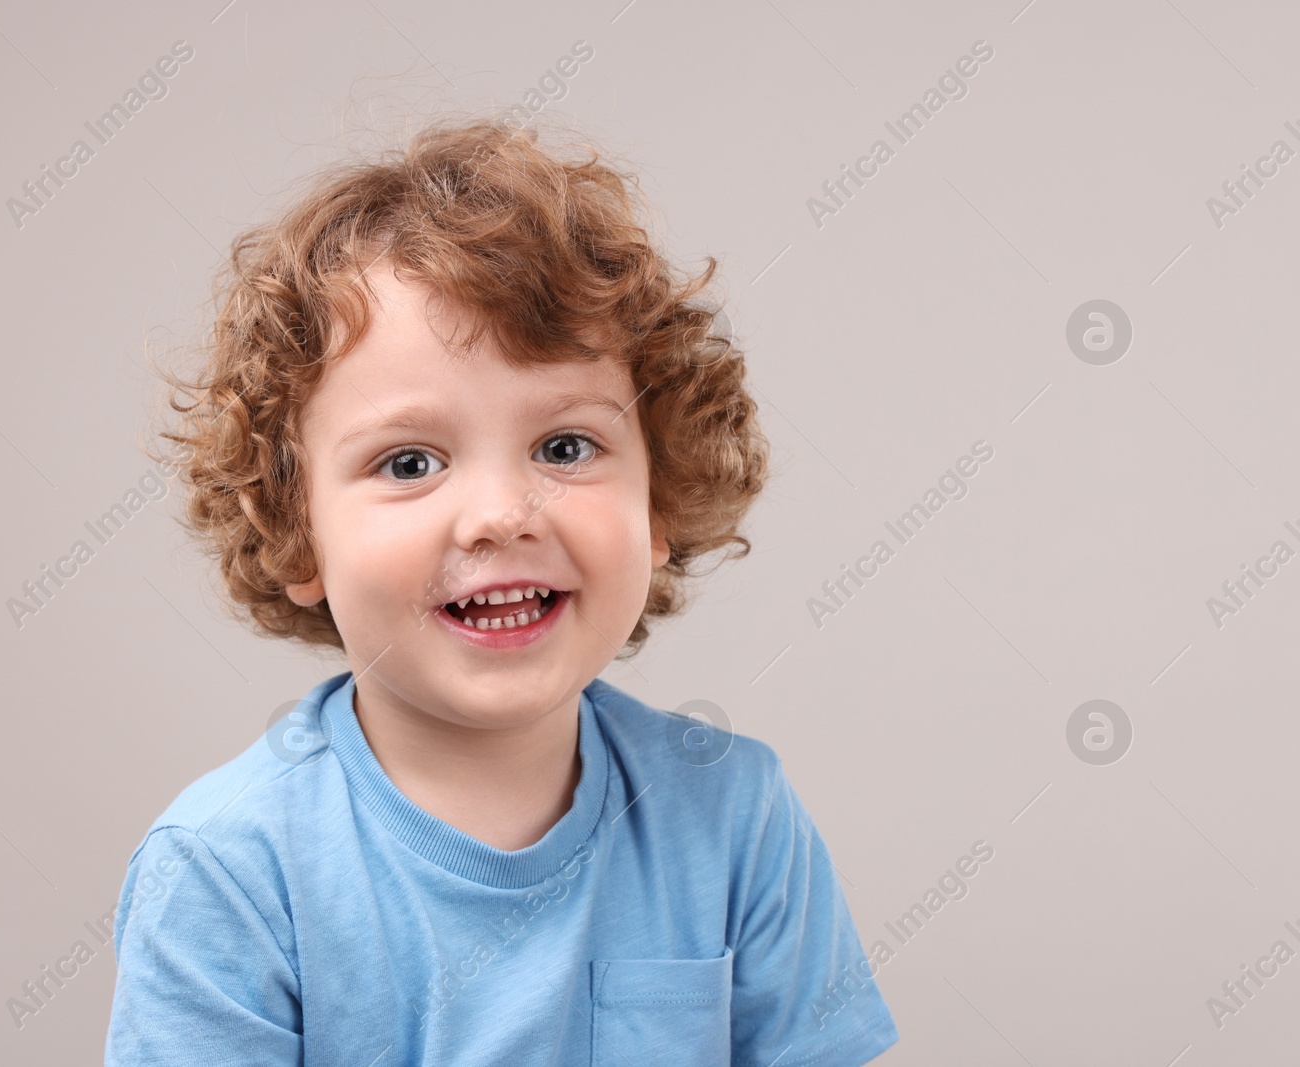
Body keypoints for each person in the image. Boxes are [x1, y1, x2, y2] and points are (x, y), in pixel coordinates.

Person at [104, 117, 899, 1066]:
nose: (499, 513)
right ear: (294, 529)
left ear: (660, 497)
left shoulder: (735, 817)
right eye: (409, 461)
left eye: (566, 447)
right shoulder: (226, 873)